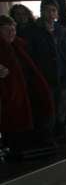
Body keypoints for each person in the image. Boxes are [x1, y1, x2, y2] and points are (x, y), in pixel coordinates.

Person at [0, 15, 54, 151]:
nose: (11, 33)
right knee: (15, 127)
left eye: (13, 29)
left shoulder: (19, 46)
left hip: (27, 92)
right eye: (7, 30)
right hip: (11, 96)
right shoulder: (8, 48)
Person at [18, 0, 66, 136]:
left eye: (53, 10)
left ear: (57, 13)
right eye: (47, 10)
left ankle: (59, 138)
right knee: (47, 111)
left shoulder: (61, 30)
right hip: (43, 77)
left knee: (61, 111)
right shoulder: (32, 31)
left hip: (62, 76)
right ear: (41, 11)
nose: (50, 13)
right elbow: (29, 56)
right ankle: (47, 139)